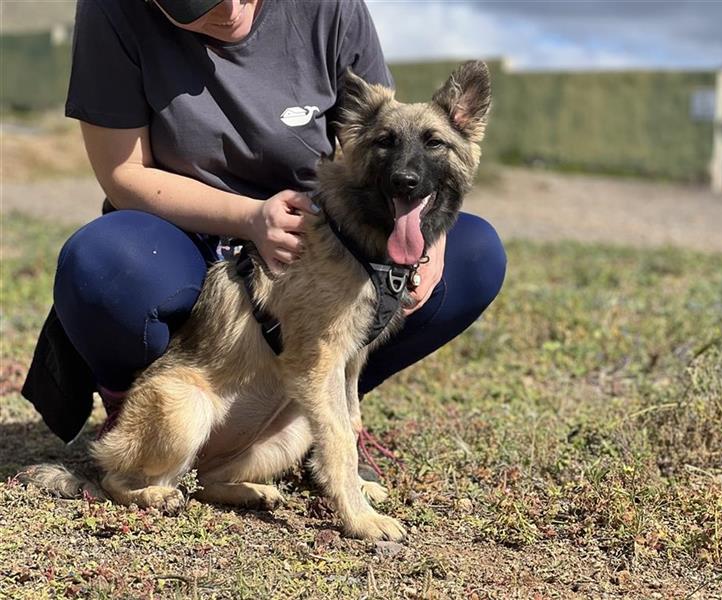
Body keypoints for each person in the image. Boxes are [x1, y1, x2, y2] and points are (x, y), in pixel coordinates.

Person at [22, 0, 507, 474]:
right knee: (104, 262)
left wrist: (423, 235)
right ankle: (142, 422)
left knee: (475, 253)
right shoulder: (112, 11)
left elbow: (388, 143)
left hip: (309, 241)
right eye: (199, 3)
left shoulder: (330, 8)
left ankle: (310, 418)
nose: (231, 10)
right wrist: (251, 217)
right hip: (181, 236)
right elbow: (123, 173)